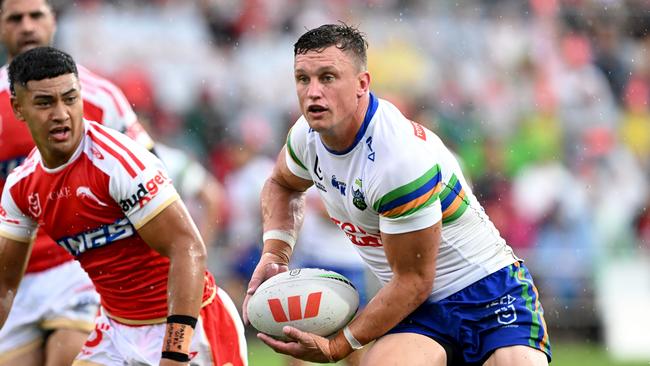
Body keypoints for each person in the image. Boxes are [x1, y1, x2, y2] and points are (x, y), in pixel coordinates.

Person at [243, 24, 551, 365]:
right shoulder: (306, 137)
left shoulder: (397, 160)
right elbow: (281, 184)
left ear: (362, 84)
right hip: (418, 308)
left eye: (328, 77)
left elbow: (415, 280)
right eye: (303, 79)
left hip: (487, 292)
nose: (313, 92)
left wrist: (337, 347)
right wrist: (275, 254)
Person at [0, 47, 247, 365]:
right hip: (116, 331)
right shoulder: (22, 185)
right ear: (18, 108)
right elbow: (4, 283)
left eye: (70, 98)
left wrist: (174, 351)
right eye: (45, 103)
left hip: (189, 323)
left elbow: (188, 247)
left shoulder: (117, 163)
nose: (61, 113)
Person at [0, 0, 155, 364]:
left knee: (68, 357)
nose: (27, 26)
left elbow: (150, 169)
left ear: (53, 21)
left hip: (80, 261)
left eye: (36, 15)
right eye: (15, 18)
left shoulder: (99, 97)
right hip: (13, 275)